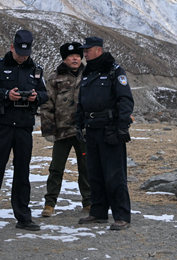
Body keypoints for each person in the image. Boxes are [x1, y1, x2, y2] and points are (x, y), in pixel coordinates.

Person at [0, 29, 48, 235]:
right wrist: (6, 94)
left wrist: (35, 97)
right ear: (11, 47)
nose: (22, 57)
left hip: (24, 127)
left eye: (26, 54)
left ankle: (23, 217)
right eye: (19, 53)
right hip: (4, 126)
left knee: (22, 173)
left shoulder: (36, 70)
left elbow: (45, 94)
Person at [74, 37, 134, 230]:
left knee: (114, 175)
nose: (84, 53)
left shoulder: (114, 71)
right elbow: (81, 101)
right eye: (84, 50)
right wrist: (79, 124)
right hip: (91, 129)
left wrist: (122, 126)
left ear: (98, 50)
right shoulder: (87, 72)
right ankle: (98, 212)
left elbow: (125, 99)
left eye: (88, 50)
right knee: (94, 173)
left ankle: (122, 216)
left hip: (110, 129)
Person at [39, 42, 91, 217]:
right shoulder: (54, 78)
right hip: (62, 132)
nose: (75, 58)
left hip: (84, 132)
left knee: (86, 168)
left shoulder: (89, 75)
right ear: (64, 59)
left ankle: (89, 203)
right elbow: (47, 104)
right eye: (71, 56)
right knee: (56, 169)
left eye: (77, 56)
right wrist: (48, 130)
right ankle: (49, 204)